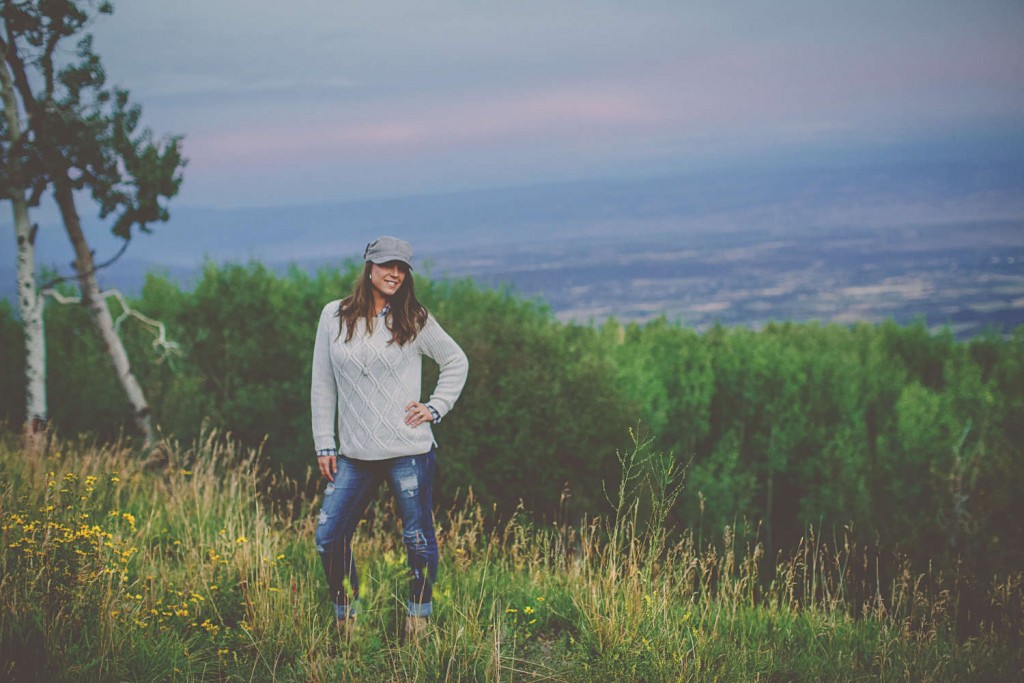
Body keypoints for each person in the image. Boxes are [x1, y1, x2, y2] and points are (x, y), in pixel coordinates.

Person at [311, 236, 468, 640]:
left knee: (417, 537)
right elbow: (322, 384)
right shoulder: (334, 316)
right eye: (386, 265)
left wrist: (435, 407)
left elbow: (455, 360)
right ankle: (348, 617)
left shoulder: (414, 318)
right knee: (329, 537)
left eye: (402, 267)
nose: (394, 273)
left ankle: (418, 620)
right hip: (354, 453)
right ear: (369, 268)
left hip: (409, 450)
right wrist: (324, 443)